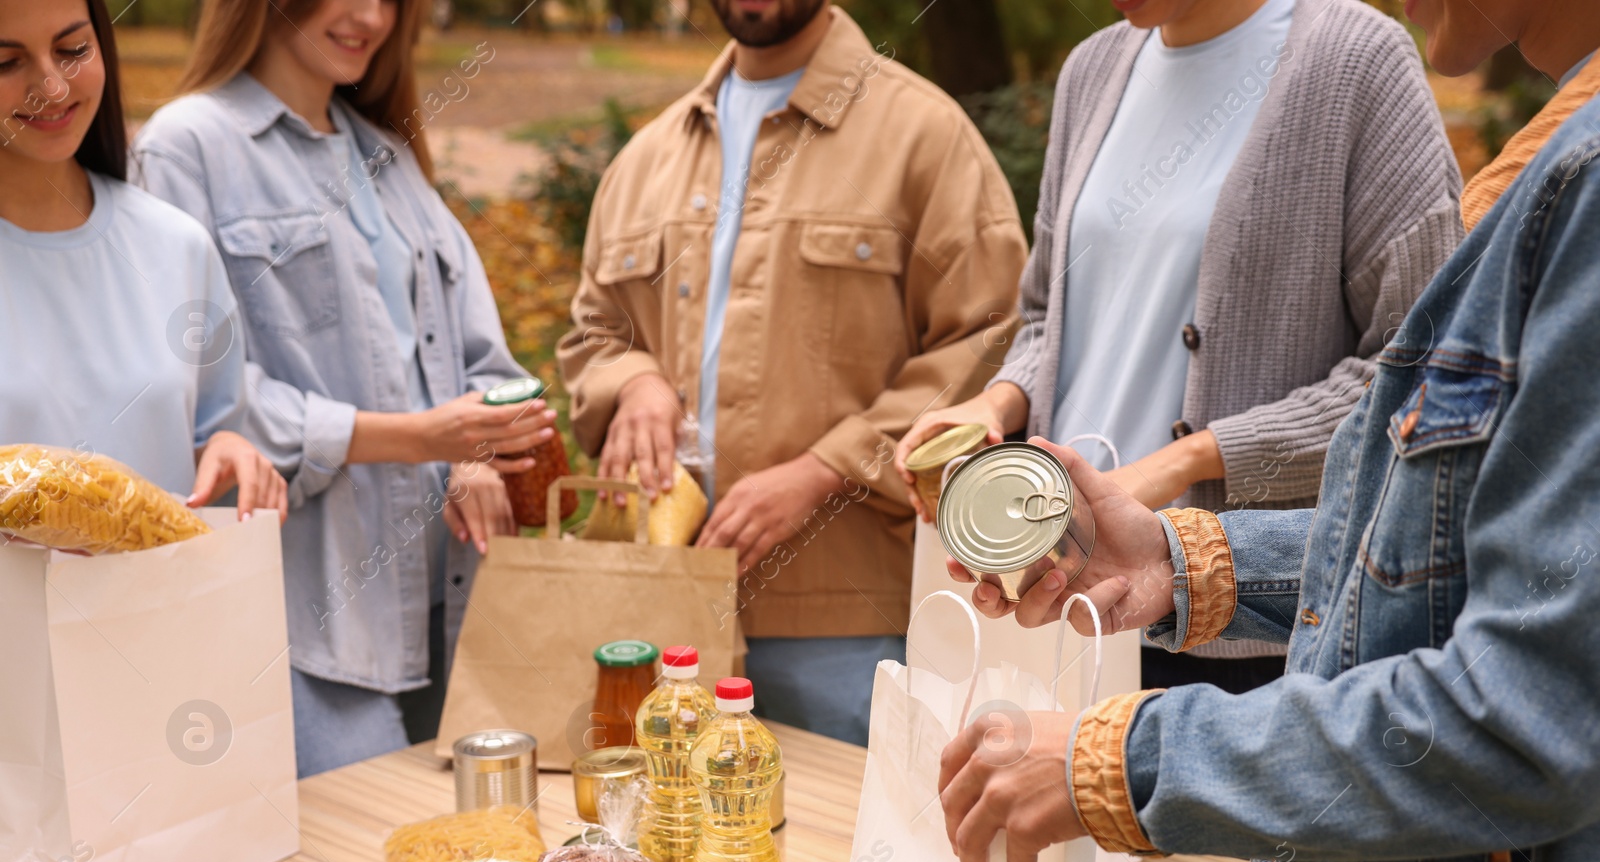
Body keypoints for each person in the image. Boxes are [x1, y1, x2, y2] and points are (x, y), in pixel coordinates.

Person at [939, 1, 1600, 862]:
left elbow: (1526, 718)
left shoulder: (1574, 185)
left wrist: (1122, 759)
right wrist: (1181, 558)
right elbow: (1442, 562)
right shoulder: (1545, 167)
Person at [895, 0, 1462, 695]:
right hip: (1069, 601)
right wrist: (993, 402)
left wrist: (1181, 463)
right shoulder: (1093, 69)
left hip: (1238, 629)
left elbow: (1420, 364)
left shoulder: (1355, 58)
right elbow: (1051, 314)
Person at [558, 0, 1027, 746]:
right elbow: (593, 333)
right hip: (658, 615)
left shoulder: (924, 137)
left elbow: (994, 342)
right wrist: (634, 381)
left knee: (844, 854)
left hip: (839, 620)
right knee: (670, 853)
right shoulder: (645, 160)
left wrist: (825, 468)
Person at [133, 0, 551, 776]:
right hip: (311, 613)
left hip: (453, 599)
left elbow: (485, 362)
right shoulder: (186, 148)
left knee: (462, 858)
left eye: (390, 0)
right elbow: (195, 391)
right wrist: (422, 437)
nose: (370, 17)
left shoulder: (388, 156)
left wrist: (476, 457)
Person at [0, 0, 285, 523]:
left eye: (72, 50)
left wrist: (229, 454)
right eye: (5, 62)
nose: (54, 87)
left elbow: (216, 432)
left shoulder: (177, 246)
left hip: (164, 599)